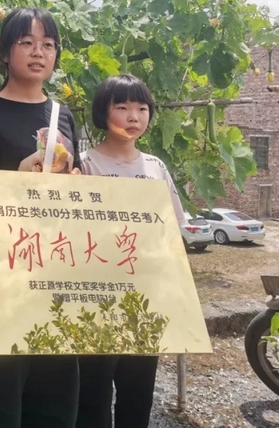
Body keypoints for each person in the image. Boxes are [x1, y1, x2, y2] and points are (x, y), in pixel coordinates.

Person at [0, 7, 82, 428]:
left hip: (57, 271)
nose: (38, 52)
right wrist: (18, 177)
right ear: (5, 52)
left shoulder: (64, 116)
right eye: (26, 43)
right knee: (0, 399)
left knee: (56, 398)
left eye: (48, 44)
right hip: (3, 277)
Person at [75, 74, 185, 428]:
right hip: (96, 297)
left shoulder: (155, 167)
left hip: (144, 298)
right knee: (92, 393)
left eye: (142, 108)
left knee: (138, 391)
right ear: (102, 113)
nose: (134, 116)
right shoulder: (84, 164)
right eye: (122, 107)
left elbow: (172, 230)